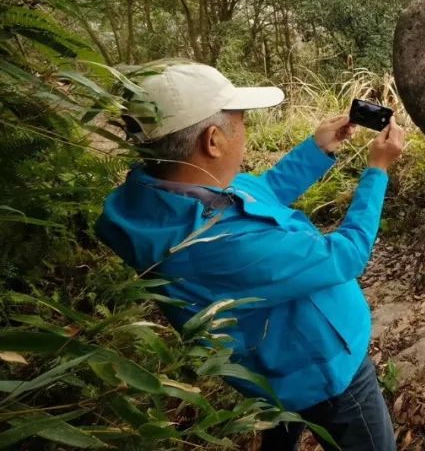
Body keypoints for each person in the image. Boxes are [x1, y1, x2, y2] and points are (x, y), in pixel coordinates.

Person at [96, 61, 404, 451]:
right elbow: (347, 254)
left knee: (279, 429)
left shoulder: (172, 195)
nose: (244, 130)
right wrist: (377, 170)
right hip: (323, 369)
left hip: (270, 362)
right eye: (240, 122)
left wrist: (317, 148)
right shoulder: (218, 243)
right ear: (213, 140)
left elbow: (262, 193)